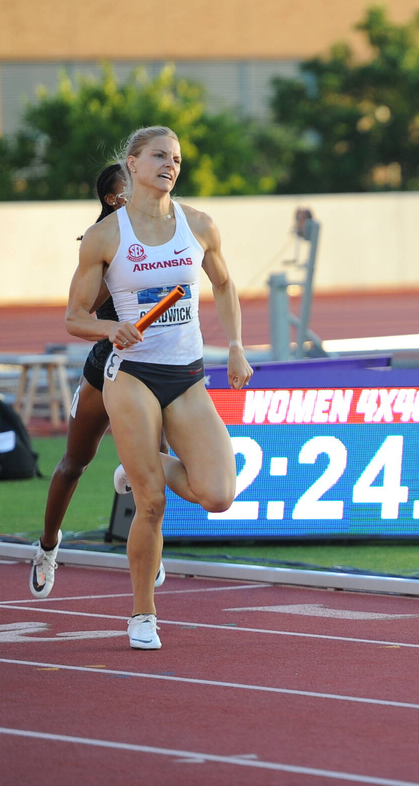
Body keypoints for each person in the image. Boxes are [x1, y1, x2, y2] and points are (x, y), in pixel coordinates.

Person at [65, 127, 252, 650]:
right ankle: (142, 614)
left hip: (187, 374)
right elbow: (74, 317)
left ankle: (137, 464)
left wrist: (235, 344)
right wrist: (109, 328)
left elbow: (223, 283)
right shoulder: (106, 236)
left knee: (218, 495)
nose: (171, 165)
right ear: (133, 163)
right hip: (131, 376)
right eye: (159, 156)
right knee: (151, 505)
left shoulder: (199, 225)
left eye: (177, 158)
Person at [28, 164, 172, 597]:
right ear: (113, 199)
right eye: (132, 187)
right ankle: (48, 547)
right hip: (107, 363)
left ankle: (150, 549)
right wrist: (114, 292)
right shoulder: (105, 239)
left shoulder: (169, 229)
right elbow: (79, 316)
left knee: (157, 461)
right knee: (75, 462)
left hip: (152, 366)